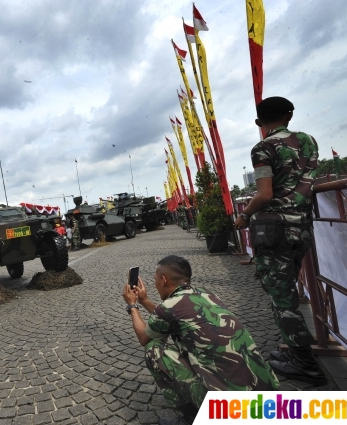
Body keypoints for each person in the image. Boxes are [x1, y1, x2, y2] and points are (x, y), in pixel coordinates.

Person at [234, 96, 326, 386]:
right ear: (289, 115)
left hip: (276, 232)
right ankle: (297, 353)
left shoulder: (263, 147)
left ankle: (304, 363)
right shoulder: (308, 141)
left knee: (281, 297)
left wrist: (243, 216)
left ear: (259, 123)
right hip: (303, 228)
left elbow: (264, 194)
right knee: (288, 291)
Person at [123, 256, 278, 425]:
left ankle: (192, 418)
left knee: (153, 349)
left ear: (163, 280)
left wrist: (133, 305)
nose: (155, 284)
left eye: (155, 280)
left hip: (231, 409)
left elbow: (144, 338)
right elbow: (168, 317)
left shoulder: (168, 308)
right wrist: (145, 300)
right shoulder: (206, 294)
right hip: (268, 397)